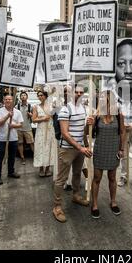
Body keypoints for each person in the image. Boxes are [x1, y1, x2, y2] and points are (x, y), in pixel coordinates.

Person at [53, 85, 94, 223]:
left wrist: (88, 129)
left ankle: (76, 195)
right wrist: (80, 147)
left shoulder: (83, 109)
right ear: (71, 94)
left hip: (80, 148)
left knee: (77, 174)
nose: (78, 94)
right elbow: (65, 134)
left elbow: (82, 130)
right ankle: (57, 206)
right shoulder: (65, 109)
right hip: (67, 149)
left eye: (81, 92)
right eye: (76, 92)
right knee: (61, 178)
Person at [90, 90, 126, 219]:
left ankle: (113, 201)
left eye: (105, 98)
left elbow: (122, 132)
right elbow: (89, 132)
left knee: (112, 177)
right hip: (100, 149)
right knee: (97, 178)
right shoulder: (96, 115)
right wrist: (89, 124)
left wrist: (122, 149)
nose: (103, 101)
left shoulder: (119, 115)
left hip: (113, 149)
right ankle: (94, 204)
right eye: (102, 99)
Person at [0, 95, 23, 185]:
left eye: (9, 99)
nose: (8, 101)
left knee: (12, 156)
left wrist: (13, 126)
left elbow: (21, 124)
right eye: (6, 99)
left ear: (12, 100)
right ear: (3, 100)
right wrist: (8, 116)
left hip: (13, 138)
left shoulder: (17, 112)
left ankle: (11, 172)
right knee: (0, 157)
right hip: (2, 138)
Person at [32, 91, 56, 177]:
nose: (40, 97)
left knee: (49, 148)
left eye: (41, 95)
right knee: (40, 148)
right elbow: (34, 120)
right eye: (38, 95)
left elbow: (54, 117)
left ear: (45, 96)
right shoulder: (36, 107)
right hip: (40, 131)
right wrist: (42, 119)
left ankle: (48, 168)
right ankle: (41, 168)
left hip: (50, 129)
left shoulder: (51, 106)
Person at [16, 91, 34, 164]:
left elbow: (34, 117)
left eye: (24, 95)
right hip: (19, 128)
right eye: (22, 95)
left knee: (31, 143)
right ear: (20, 97)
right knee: (20, 143)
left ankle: (35, 156)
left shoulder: (30, 106)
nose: (23, 96)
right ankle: (22, 157)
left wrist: (31, 115)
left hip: (28, 127)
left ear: (27, 97)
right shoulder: (16, 107)